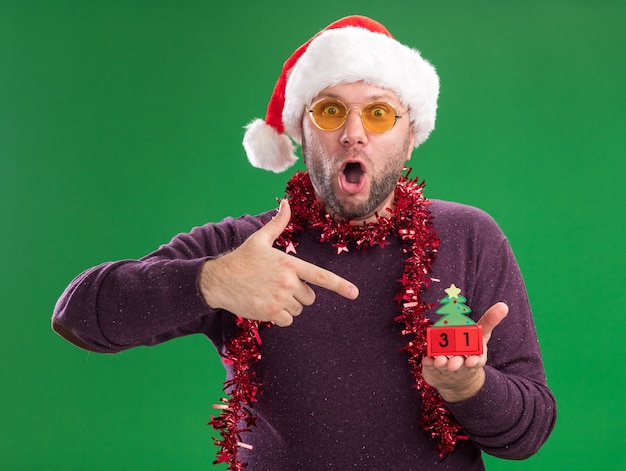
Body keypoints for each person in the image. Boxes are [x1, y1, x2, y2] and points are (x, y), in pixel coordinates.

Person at [52, 15, 556, 471]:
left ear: (409, 138)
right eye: (331, 112)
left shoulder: (470, 237)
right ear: (302, 131)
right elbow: (76, 315)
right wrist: (211, 281)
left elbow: (529, 434)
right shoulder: (245, 246)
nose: (354, 134)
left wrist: (471, 388)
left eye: (379, 114)